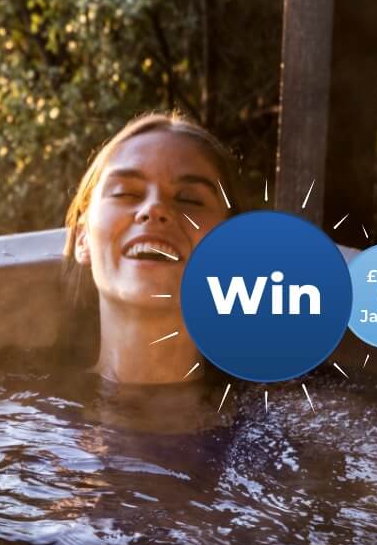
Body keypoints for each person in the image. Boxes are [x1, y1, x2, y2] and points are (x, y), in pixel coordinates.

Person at [61, 112, 247, 387]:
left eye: (190, 200)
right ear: (82, 238)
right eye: (126, 193)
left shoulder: (286, 414)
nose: (155, 208)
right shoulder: (18, 413)